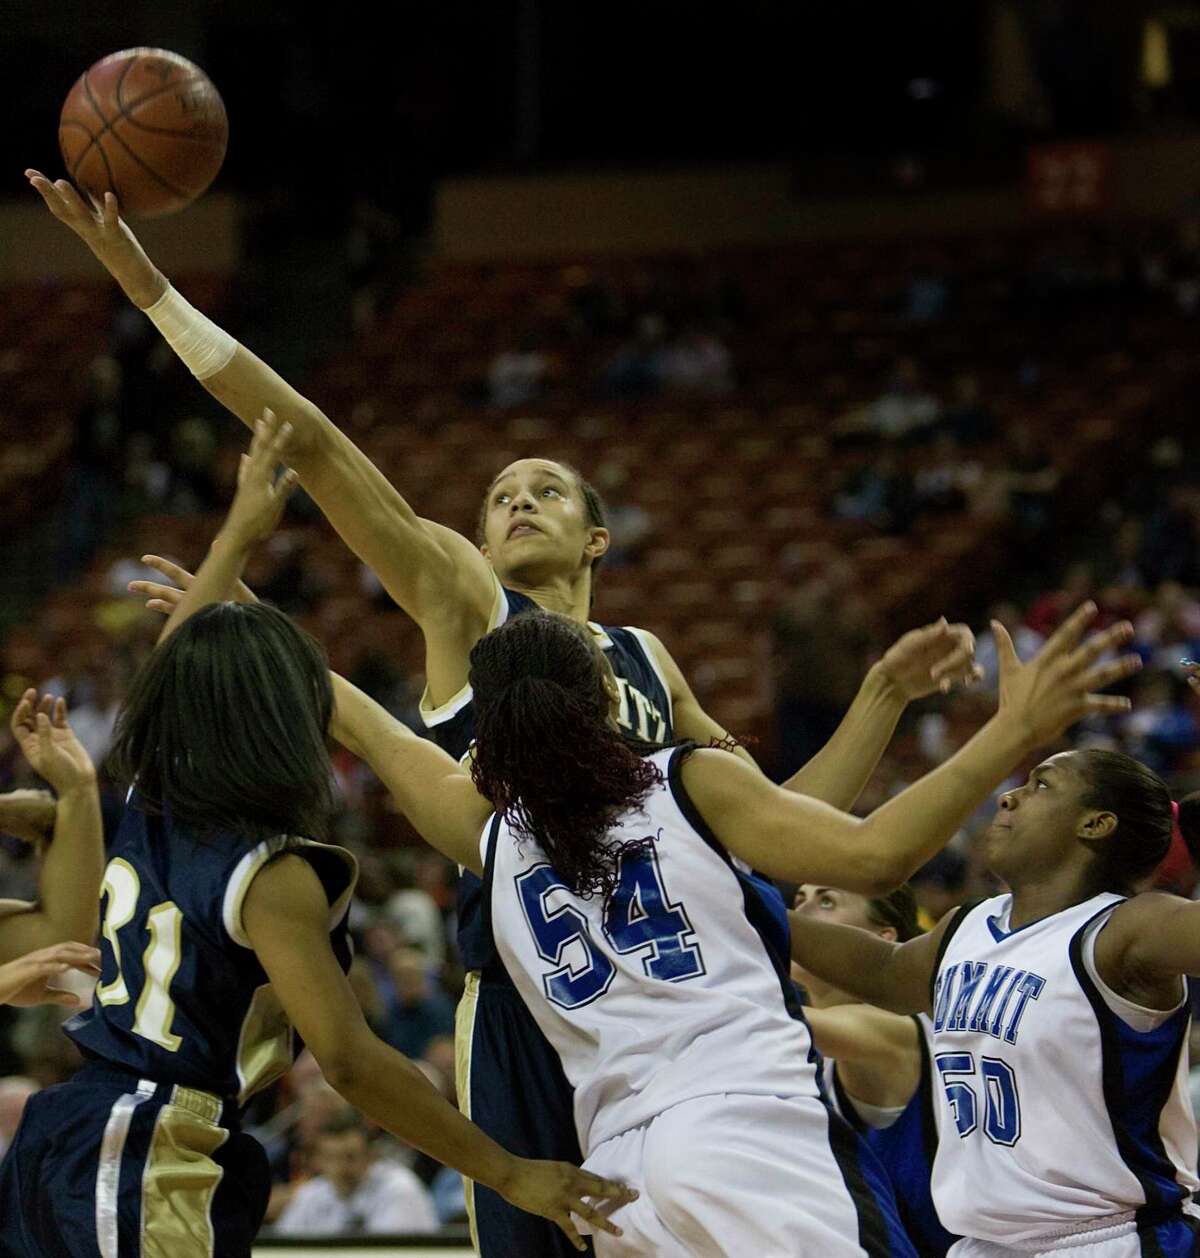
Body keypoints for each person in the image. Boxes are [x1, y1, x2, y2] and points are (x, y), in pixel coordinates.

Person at [52, 177, 984, 1257]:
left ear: (598, 537)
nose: (518, 500)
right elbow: (307, 440)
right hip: (534, 997)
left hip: (676, 1014)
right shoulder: (469, 606)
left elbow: (764, 826)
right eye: (500, 495)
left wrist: (878, 696)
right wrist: (148, 284)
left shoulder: (646, 660)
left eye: (547, 489)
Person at [317, 592, 1134, 1255]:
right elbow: (877, 856)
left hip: (618, 1183)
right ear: (610, 698)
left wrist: (234, 607)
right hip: (746, 1130)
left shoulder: (487, 836)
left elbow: (359, 719)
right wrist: (1012, 732)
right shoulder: (686, 778)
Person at [0, 417, 633, 1258]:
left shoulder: (161, 799)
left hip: (78, 1130)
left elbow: (173, 670)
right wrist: (510, 1172)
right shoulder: (270, 874)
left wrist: (239, 536)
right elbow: (352, 1062)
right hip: (148, 1144)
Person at [789, 745, 1200, 1258]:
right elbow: (884, 970)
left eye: (1042, 784)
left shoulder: (1129, 927)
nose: (1009, 797)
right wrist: (751, 907)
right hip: (985, 1244)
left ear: (1095, 824)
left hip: (1112, 1238)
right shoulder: (969, 925)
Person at [794, 884, 956, 1258]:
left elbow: (769, 1017)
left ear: (882, 940)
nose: (799, 915)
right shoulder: (819, 1050)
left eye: (827, 901)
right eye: (797, 899)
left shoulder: (895, 1028)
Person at [273, 1109, 439, 1237]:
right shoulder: (312, 1194)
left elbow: (385, 1252)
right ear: (318, 1161)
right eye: (332, 1158)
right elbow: (284, 1244)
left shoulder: (399, 1189)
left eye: (350, 1157)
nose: (341, 1167)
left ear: (369, 1156)